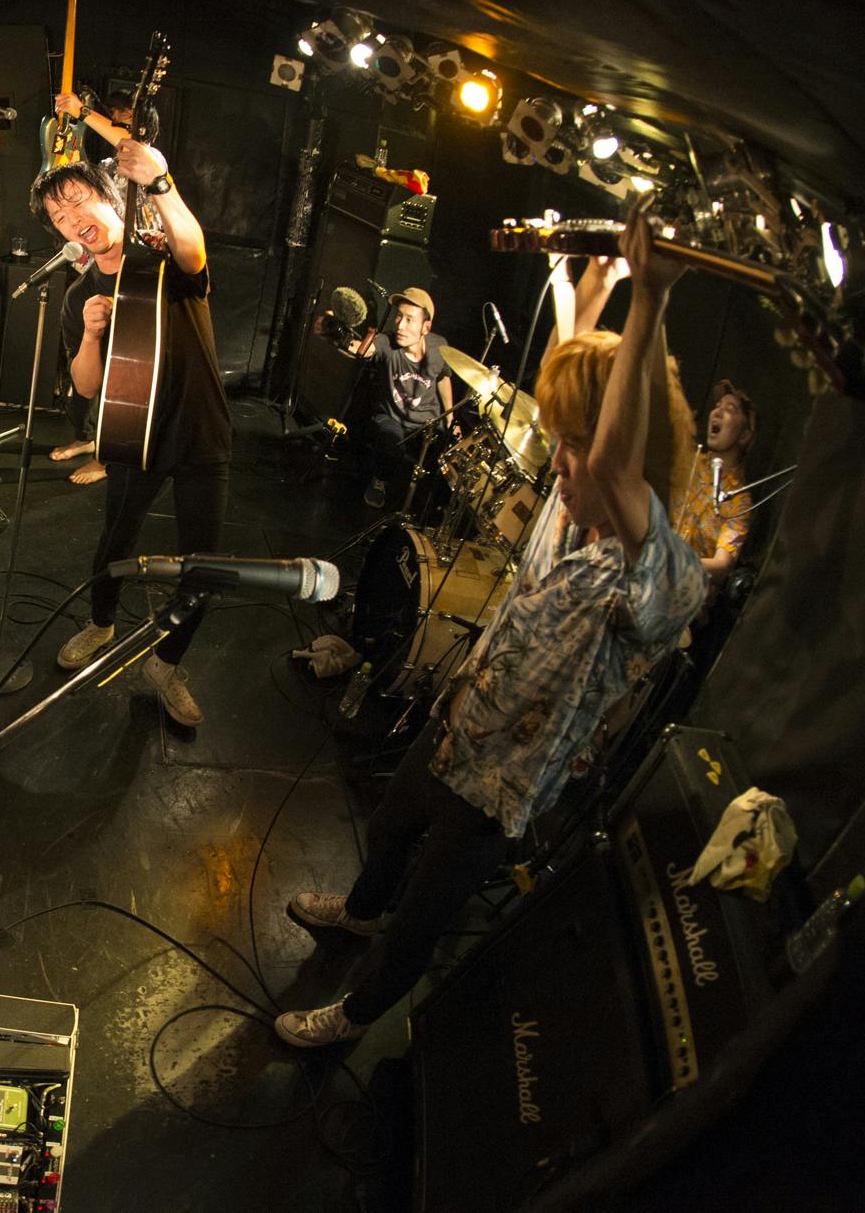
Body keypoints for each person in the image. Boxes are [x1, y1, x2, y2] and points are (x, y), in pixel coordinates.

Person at [274, 203, 706, 1048]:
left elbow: (613, 450)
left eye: (579, 454)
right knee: (389, 826)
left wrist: (651, 301)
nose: (562, 465)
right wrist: (589, 290)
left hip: (501, 787)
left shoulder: (660, 573)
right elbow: (572, 412)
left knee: (421, 919)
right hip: (459, 718)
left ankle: (354, 1017)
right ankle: (358, 911)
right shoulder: (572, 508)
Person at [32, 149, 231, 728]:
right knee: (114, 541)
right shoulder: (78, 296)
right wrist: (91, 337)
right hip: (131, 435)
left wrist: (161, 182)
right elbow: (86, 386)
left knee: (203, 565)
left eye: (78, 202)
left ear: (109, 197)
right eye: (59, 217)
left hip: (200, 429)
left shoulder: (163, 257)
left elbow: (194, 251)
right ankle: (101, 623)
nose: (73, 220)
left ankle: (167, 665)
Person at [346, 286, 455, 508]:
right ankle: (380, 481)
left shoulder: (439, 347)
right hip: (392, 417)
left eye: (409, 319)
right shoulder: (387, 342)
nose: (400, 325)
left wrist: (450, 416)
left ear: (426, 327)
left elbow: (443, 378)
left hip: (428, 421)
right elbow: (362, 350)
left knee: (448, 459)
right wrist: (336, 336)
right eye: (399, 316)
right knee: (390, 441)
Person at [674, 379, 757, 584]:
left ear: (744, 436)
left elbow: (722, 564)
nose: (717, 412)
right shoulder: (688, 462)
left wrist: (675, 565)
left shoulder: (739, 500)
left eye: (730, 409)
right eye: (717, 406)